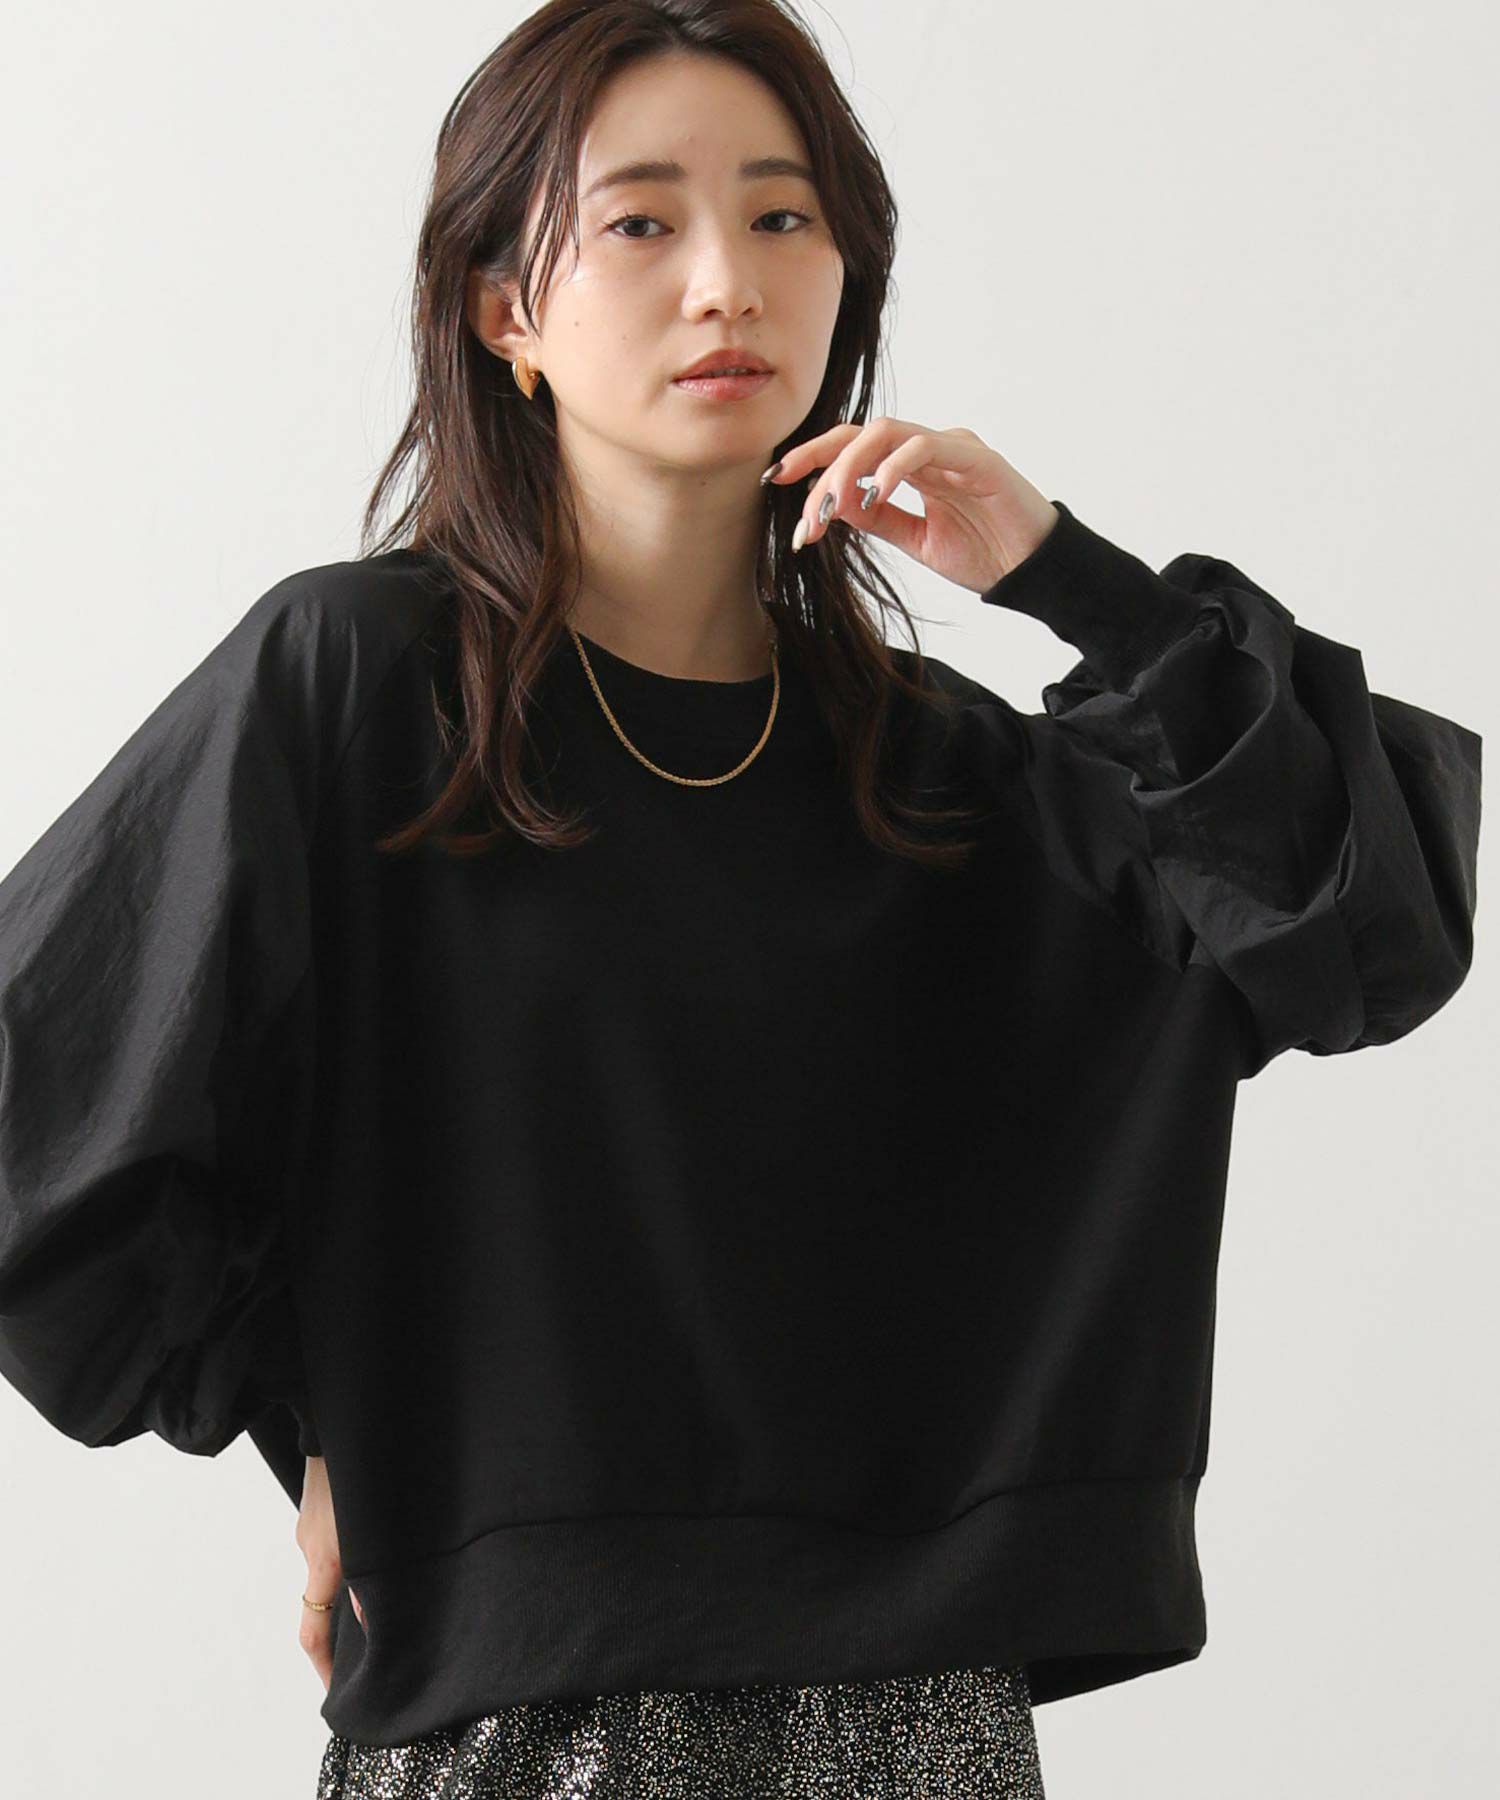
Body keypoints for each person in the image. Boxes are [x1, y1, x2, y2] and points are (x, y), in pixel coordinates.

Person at [0, 3, 1481, 1796]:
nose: (728, 283)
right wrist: (313, 1426)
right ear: (503, 308)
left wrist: (1068, 577)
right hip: (526, 1727)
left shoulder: (948, 776)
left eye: (785, 217)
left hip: (913, 1724)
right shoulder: (359, 684)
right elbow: (39, 1091)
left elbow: (1357, 934)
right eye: (641, 221)